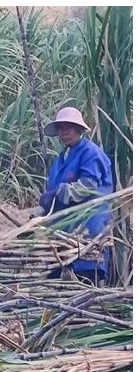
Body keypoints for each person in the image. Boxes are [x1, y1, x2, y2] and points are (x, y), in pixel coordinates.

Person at [32, 107, 115, 285]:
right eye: (61, 128)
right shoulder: (60, 160)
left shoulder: (90, 153)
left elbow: (87, 186)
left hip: (88, 228)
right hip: (64, 233)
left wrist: (58, 192)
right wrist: (39, 213)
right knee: (58, 282)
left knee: (85, 276)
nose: (64, 132)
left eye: (69, 127)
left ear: (79, 129)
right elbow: (54, 199)